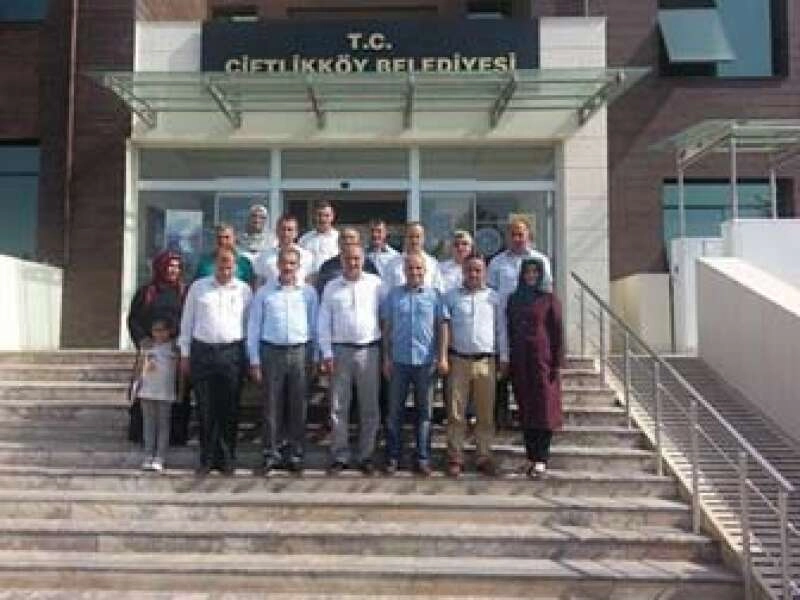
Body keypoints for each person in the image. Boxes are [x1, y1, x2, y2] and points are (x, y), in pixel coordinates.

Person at [179, 249, 252, 475]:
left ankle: (227, 458)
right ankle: (207, 459)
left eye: (229, 266)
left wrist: (250, 358)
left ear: (235, 266)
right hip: (203, 352)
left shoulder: (244, 290)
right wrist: (185, 354)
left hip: (232, 353)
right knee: (205, 408)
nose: (225, 270)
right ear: (214, 264)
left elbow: (250, 325)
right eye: (221, 265)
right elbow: (187, 322)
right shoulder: (198, 288)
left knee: (230, 408)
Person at [247, 247, 318, 474]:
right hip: (271, 351)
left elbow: (315, 326)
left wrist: (316, 357)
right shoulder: (264, 293)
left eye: (292, 264)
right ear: (277, 265)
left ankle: (295, 453)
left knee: (298, 405)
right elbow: (254, 327)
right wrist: (254, 360)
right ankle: (271, 453)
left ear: (298, 266)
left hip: (300, 351)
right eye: (284, 263)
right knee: (271, 405)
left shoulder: (308, 293)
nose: (288, 267)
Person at [317, 244, 385, 474]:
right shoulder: (331, 287)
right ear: (341, 260)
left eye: (357, 258)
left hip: (369, 350)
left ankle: (366, 455)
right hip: (340, 351)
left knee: (370, 407)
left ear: (363, 260)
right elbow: (323, 321)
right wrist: (326, 352)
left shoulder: (376, 284)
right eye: (348, 259)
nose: (353, 263)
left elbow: (385, 317)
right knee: (338, 407)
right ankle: (340, 455)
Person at [381, 254, 448, 476]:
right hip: (398, 362)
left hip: (425, 362)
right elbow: (386, 328)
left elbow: (442, 327)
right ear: (404, 271)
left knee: (425, 413)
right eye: (410, 268)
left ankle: (423, 458)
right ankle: (393, 457)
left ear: (425, 271)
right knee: (394, 413)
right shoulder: (393, 295)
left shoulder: (434, 296)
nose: (414, 272)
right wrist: (386, 358)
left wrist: (442, 356)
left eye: (418, 268)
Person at [442, 253, 506, 477]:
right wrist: (443, 357)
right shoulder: (451, 297)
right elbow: (445, 328)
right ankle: (455, 456)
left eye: (478, 270)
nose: (473, 274)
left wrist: (504, 357)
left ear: (485, 272)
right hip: (458, 360)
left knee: (485, 413)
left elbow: (501, 330)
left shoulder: (494, 298)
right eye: (470, 270)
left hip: (486, 361)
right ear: (463, 271)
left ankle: (483, 454)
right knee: (455, 412)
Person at [500, 257, 564, 477]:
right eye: (527, 272)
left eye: (535, 272)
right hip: (521, 362)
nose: (531, 276)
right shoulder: (514, 299)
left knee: (544, 410)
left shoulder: (549, 300)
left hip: (543, 362)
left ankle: (541, 458)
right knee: (525, 409)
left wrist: (557, 362)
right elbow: (509, 329)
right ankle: (530, 457)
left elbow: (557, 332)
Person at [487, 217, 553, 428]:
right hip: (504, 324)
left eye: (520, 234)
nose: (517, 238)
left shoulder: (540, 260)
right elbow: (491, 293)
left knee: (530, 381)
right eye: (513, 234)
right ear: (507, 237)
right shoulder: (497, 262)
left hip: (531, 329)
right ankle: (502, 420)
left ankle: (531, 420)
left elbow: (547, 295)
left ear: (528, 235)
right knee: (502, 376)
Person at [126, 250, 190, 445]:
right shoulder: (147, 292)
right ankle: (142, 434)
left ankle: (175, 435)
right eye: (170, 266)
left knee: (176, 391)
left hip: (175, 351)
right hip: (152, 351)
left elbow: (190, 318)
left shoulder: (184, 292)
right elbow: (133, 319)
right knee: (147, 389)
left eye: (177, 267)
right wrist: (143, 339)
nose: (173, 270)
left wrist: (181, 341)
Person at [133, 317, 180, 473]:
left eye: (162, 330)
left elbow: (180, 372)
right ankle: (148, 455)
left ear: (169, 331)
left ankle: (160, 457)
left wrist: (180, 390)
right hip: (147, 390)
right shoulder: (147, 346)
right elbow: (139, 368)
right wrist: (135, 386)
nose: (159, 334)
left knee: (163, 425)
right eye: (155, 330)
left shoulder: (174, 348)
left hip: (165, 391)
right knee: (149, 424)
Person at [315, 227, 380, 297]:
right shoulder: (327, 266)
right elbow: (321, 293)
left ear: (359, 242)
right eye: (344, 238)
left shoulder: (369, 265)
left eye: (351, 237)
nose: (348, 241)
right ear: (338, 242)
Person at [253, 213, 312, 286]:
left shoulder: (307, 256)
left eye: (289, 230)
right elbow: (259, 283)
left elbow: (310, 282)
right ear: (276, 231)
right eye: (283, 229)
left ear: (296, 233)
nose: (285, 233)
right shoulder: (264, 256)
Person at [383, 222, 443, 291]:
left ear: (423, 239)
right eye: (411, 237)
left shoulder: (433, 264)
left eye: (418, 237)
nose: (414, 240)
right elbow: (386, 291)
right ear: (405, 238)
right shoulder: (393, 264)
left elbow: (439, 290)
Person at [299, 199, 340, 279]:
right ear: (314, 216)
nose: (322, 219)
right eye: (319, 215)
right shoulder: (304, 239)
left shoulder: (339, 238)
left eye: (326, 215)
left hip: (332, 280)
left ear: (332, 217)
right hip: (309, 281)